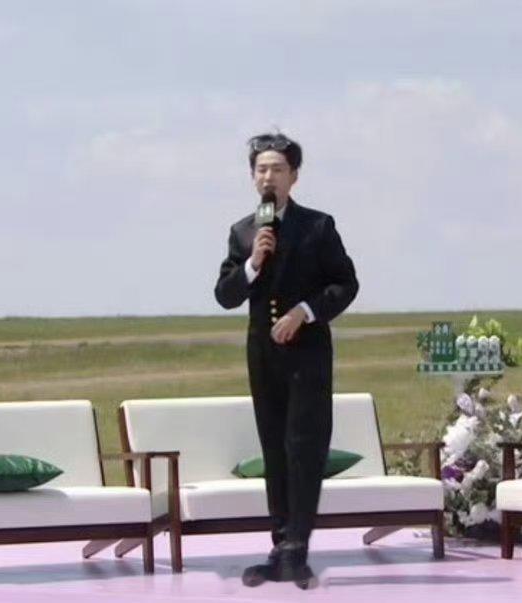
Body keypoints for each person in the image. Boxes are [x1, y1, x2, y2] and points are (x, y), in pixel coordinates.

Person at [214, 132, 359, 589]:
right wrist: (252, 263)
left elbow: (345, 283)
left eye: (277, 169)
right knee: (274, 448)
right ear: (252, 177)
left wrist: (305, 311)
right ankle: (280, 546)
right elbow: (225, 295)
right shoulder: (243, 231)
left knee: (304, 447)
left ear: (293, 176)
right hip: (263, 355)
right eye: (261, 169)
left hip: (307, 353)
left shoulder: (317, 226)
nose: (268, 177)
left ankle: (298, 547)